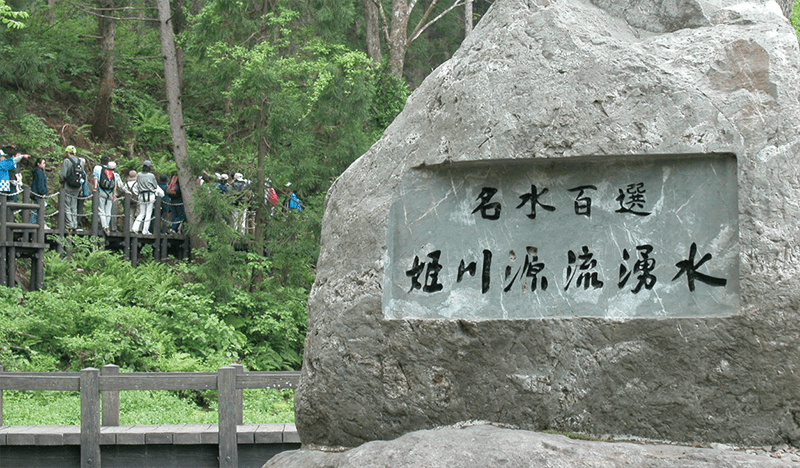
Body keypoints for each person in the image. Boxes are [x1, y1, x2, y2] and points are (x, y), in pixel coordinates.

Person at [131, 160, 163, 235]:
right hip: (150, 195)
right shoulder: (151, 175)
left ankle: (134, 228)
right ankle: (145, 231)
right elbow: (155, 186)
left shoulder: (139, 175)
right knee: (148, 214)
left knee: (141, 213)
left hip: (141, 195)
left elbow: (138, 184)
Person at [95, 159, 126, 234]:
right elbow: (118, 186)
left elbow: (97, 180)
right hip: (110, 193)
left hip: (102, 192)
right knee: (108, 211)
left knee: (101, 210)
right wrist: (116, 194)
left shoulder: (103, 172)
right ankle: (107, 226)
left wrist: (96, 188)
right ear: (115, 168)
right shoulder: (115, 174)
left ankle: (104, 226)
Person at [59, 146, 84, 231]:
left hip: (68, 187)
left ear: (68, 152)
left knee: (67, 206)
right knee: (74, 206)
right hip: (77, 187)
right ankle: (75, 224)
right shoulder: (80, 161)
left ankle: (70, 224)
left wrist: (61, 182)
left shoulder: (67, 161)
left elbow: (63, 174)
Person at [30, 157, 47, 226]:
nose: (44, 165)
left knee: (36, 209)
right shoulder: (39, 172)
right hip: (39, 194)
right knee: (37, 210)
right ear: (38, 164)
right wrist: (43, 192)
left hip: (37, 193)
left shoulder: (38, 171)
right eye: (43, 163)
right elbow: (40, 183)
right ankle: (34, 223)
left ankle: (35, 222)